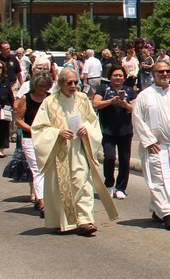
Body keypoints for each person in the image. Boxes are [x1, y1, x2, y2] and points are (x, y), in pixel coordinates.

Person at [32, 67, 117, 236]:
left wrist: (86, 128)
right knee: (60, 188)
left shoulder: (83, 99)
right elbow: (39, 128)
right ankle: (63, 221)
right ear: (61, 83)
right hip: (59, 151)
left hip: (79, 149)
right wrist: (57, 133)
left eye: (75, 82)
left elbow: (92, 121)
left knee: (82, 182)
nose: (73, 86)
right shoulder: (50, 103)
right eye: (69, 83)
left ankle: (85, 220)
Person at [132, 59, 170, 230]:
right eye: (160, 72)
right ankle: (168, 214)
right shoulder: (145, 96)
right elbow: (138, 119)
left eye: (167, 71)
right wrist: (149, 141)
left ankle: (157, 210)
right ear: (153, 75)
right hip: (156, 147)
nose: (165, 74)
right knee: (158, 180)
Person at [93, 65, 136, 200]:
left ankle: (121, 187)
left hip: (125, 130)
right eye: (115, 75)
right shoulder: (103, 89)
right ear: (110, 77)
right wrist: (111, 101)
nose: (118, 78)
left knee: (124, 159)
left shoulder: (129, 90)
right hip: (108, 130)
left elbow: (135, 108)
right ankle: (109, 184)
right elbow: (95, 104)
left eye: (120, 75)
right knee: (110, 157)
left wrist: (125, 105)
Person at [14, 67, 53, 216]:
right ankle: (42, 200)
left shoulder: (50, 99)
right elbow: (18, 120)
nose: (42, 89)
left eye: (45, 86)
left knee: (48, 168)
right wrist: (32, 129)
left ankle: (44, 197)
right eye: (40, 86)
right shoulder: (26, 98)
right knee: (37, 169)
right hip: (30, 138)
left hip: (47, 137)